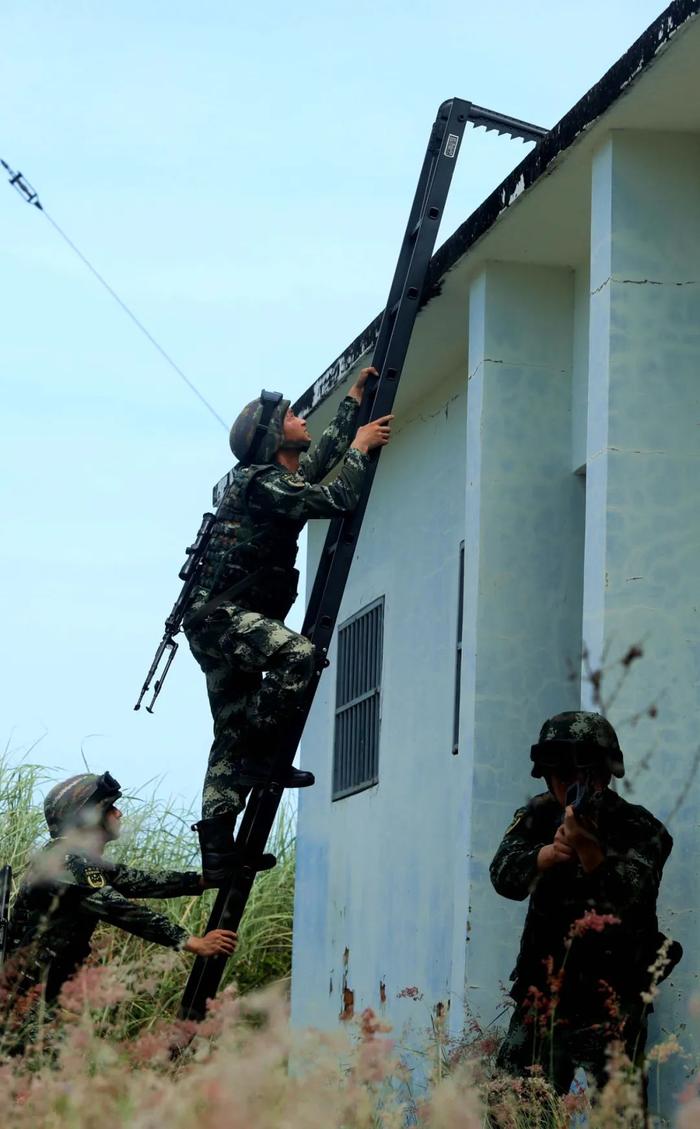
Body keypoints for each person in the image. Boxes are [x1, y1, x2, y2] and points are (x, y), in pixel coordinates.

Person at [183, 367, 392, 881]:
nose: (302, 419)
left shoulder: (273, 480)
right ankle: (262, 757)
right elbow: (335, 497)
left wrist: (352, 403)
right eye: (293, 417)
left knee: (229, 731)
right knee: (298, 655)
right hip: (224, 619)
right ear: (275, 437)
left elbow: (317, 466)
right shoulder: (262, 483)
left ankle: (217, 849)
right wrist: (362, 447)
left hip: (215, 623)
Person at [490, 711, 679, 1097]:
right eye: (563, 778)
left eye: (586, 776)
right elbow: (503, 877)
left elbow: (628, 896)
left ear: (606, 775)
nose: (575, 786)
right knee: (516, 1111)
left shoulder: (640, 828)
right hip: (544, 994)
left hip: (613, 1001)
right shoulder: (537, 815)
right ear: (547, 776)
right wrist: (545, 855)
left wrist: (587, 848)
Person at [3, 772, 237, 1011]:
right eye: (110, 807)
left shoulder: (73, 858)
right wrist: (194, 943)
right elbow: (121, 910)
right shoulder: (66, 865)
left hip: (36, 999)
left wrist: (198, 881)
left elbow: (136, 880)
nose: (119, 813)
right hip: (20, 1002)